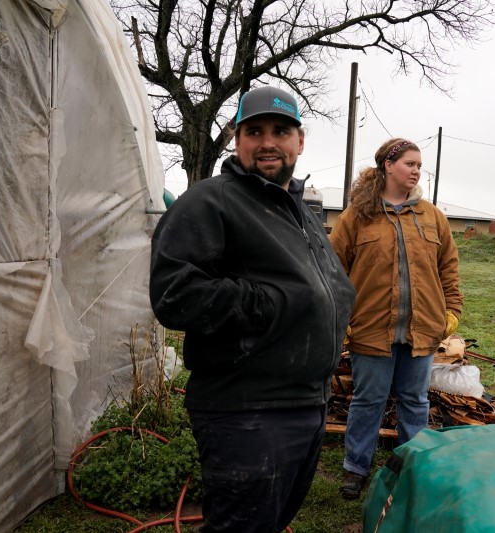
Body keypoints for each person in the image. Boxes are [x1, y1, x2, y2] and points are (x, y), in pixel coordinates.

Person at [149, 86, 356, 532]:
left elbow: (321, 286)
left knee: (270, 521)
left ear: (300, 141)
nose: (267, 142)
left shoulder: (298, 209)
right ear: (236, 139)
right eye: (254, 131)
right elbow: (173, 294)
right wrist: (268, 302)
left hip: (306, 401)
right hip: (247, 409)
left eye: (280, 131)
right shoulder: (211, 201)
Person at [328, 138, 463, 499]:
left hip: (421, 329)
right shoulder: (358, 215)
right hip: (370, 329)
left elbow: (448, 267)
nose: (417, 170)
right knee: (368, 401)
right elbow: (333, 271)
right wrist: (342, 318)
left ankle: (410, 466)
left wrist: (451, 311)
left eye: (420, 165)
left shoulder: (432, 216)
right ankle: (356, 467)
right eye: (410, 163)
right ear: (388, 166)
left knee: (415, 401)